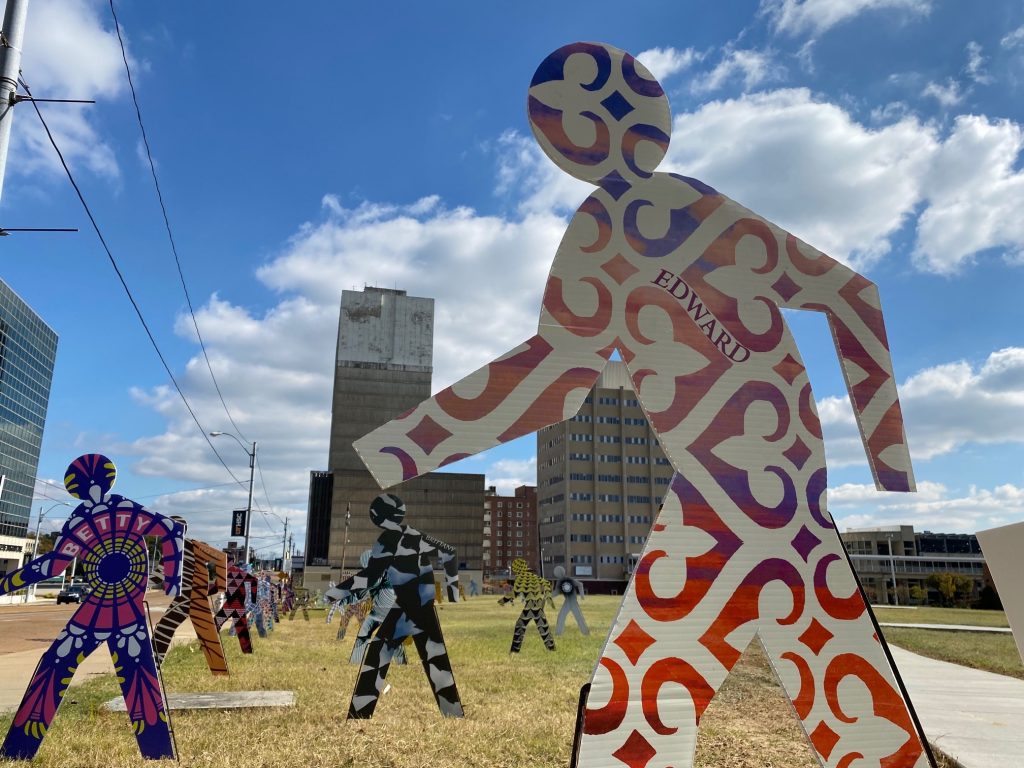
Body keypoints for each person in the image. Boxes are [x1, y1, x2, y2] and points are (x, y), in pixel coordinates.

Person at [353, 42, 927, 768]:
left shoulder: (605, 232)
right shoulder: (699, 210)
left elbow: (556, 375)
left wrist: (405, 445)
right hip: (778, 493)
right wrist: (887, 461)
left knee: (639, 723)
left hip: (733, 501)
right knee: (846, 719)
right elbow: (853, 297)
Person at [0, 454, 184, 760]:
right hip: (102, 608)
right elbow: (171, 531)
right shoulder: (100, 515)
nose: (93, 491)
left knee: (129, 671)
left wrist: (172, 579)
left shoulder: (88, 518)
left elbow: (52, 565)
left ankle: (158, 753)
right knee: (67, 664)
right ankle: (18, 750)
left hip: (119, 607)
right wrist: (171, 577)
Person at [325, 494, 462, 719]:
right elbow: (449, 552)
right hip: (422, 607)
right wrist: (453, 592)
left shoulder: (386, 541)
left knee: (379, 654)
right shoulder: (415, 535)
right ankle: (452, 712)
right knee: (435, 658)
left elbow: (370, 577)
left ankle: (360, 713)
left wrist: (335, 593)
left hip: (407, 609)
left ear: (376, 516)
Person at [152, 525, 229, 675]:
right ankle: (220, 671)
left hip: (191, 595)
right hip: (189, 595)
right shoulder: (174, 546)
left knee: (164, 628)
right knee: (207, 634)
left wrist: (220, 586)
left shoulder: (191, 546)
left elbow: (221, 557)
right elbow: (159, 575)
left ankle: (152, 666)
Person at [499, 558, 555, 652]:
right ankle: (551, 648)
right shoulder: (534, 577)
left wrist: (502, 601)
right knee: (543, 628)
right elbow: (548, 583)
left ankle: (515, 650)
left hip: (529, 607)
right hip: (538, 606)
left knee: (520, 625)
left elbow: (514, 594)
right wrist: (545, 599)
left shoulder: (520, 579)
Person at [551, 565, 589, 636]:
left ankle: (585, 633)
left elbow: (580, 584)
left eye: (558, 572)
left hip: (573, 602)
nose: (558, 574)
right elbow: (557, 592)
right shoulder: (559, 582)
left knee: (578, 617)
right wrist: (549, 596)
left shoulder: (569, 579)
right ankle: (558, 633)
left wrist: (582, 596)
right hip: (568, 602)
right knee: (562, 616)